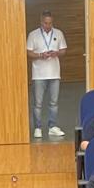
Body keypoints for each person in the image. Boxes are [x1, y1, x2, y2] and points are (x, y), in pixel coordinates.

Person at [26, 10, 68, 139]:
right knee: (38, 103)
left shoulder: (58, 33)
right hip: (39, 74)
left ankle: (52, 127)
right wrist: (40, 55)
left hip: (54, 73)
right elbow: (28, 52)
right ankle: (38, 128)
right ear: (41, 21)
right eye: (45, 23)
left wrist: (56, 53)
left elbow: (63, 50)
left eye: (50, 23)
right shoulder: (33, 35)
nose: (48, 25)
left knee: (53, 102)